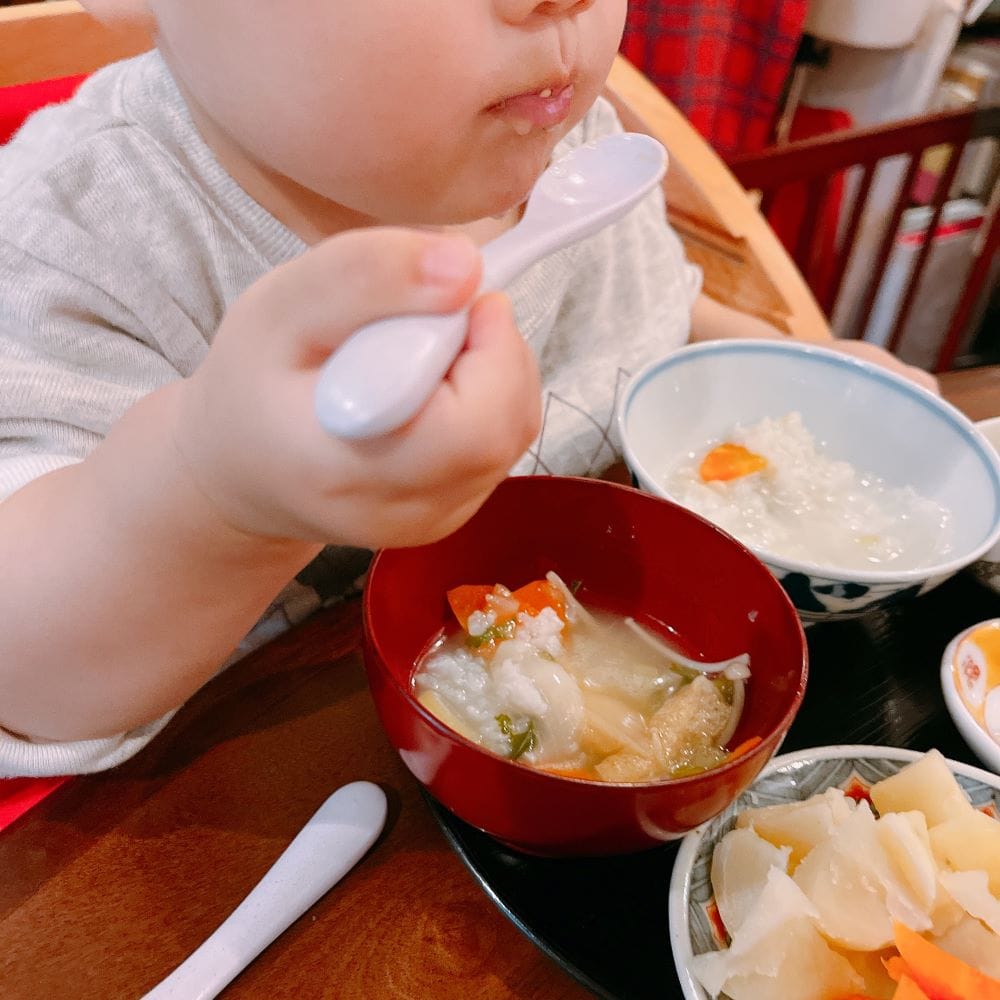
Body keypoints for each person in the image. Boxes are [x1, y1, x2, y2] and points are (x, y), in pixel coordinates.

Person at [0, 0, 934, 777]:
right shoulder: (69, 240)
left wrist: (778, 362)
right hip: (243, 820)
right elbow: (25, 672)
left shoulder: (568, 143)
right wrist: (216, 492)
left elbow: (645, 325)